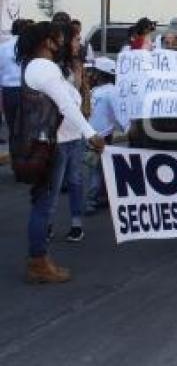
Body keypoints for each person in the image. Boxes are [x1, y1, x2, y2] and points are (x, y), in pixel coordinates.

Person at [18, 22, 104, 282]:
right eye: (59, 38)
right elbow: (66, 104)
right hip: (53, 143)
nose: (63, 42)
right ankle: (38, 262)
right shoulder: (42, 67)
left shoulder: (41, 67)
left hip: (62, 141)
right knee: (45, 204)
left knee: (46, 202)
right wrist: (91, 134)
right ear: (47, 42)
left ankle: (40, 259)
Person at [47, 21, 91, 243]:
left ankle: (76, 224)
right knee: (53, 184)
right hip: (58, 134)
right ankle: (46, 224)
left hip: (76, 132)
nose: (78, 43)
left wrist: (79, 72)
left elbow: (79, 98)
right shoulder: (51, 69)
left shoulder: (76, 65)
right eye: (75, 39)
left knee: (75, 180)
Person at [84, 57, 121, 216]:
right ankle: (93, 200)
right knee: (98, 169)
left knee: (99, 168)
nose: (91, 74)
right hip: (100, 136)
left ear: (100, 74)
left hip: (96, 135)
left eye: (94, 72)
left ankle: (98, 198)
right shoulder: (101, 90)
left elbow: (117, 114)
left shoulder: (103, 91)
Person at [0, 19, 30, 171]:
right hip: (25, 90)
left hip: (8, 91)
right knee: (26, 128)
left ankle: (15, 163)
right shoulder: (28, 47)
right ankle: (25, 162)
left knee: (13, 129)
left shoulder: (2, 48)